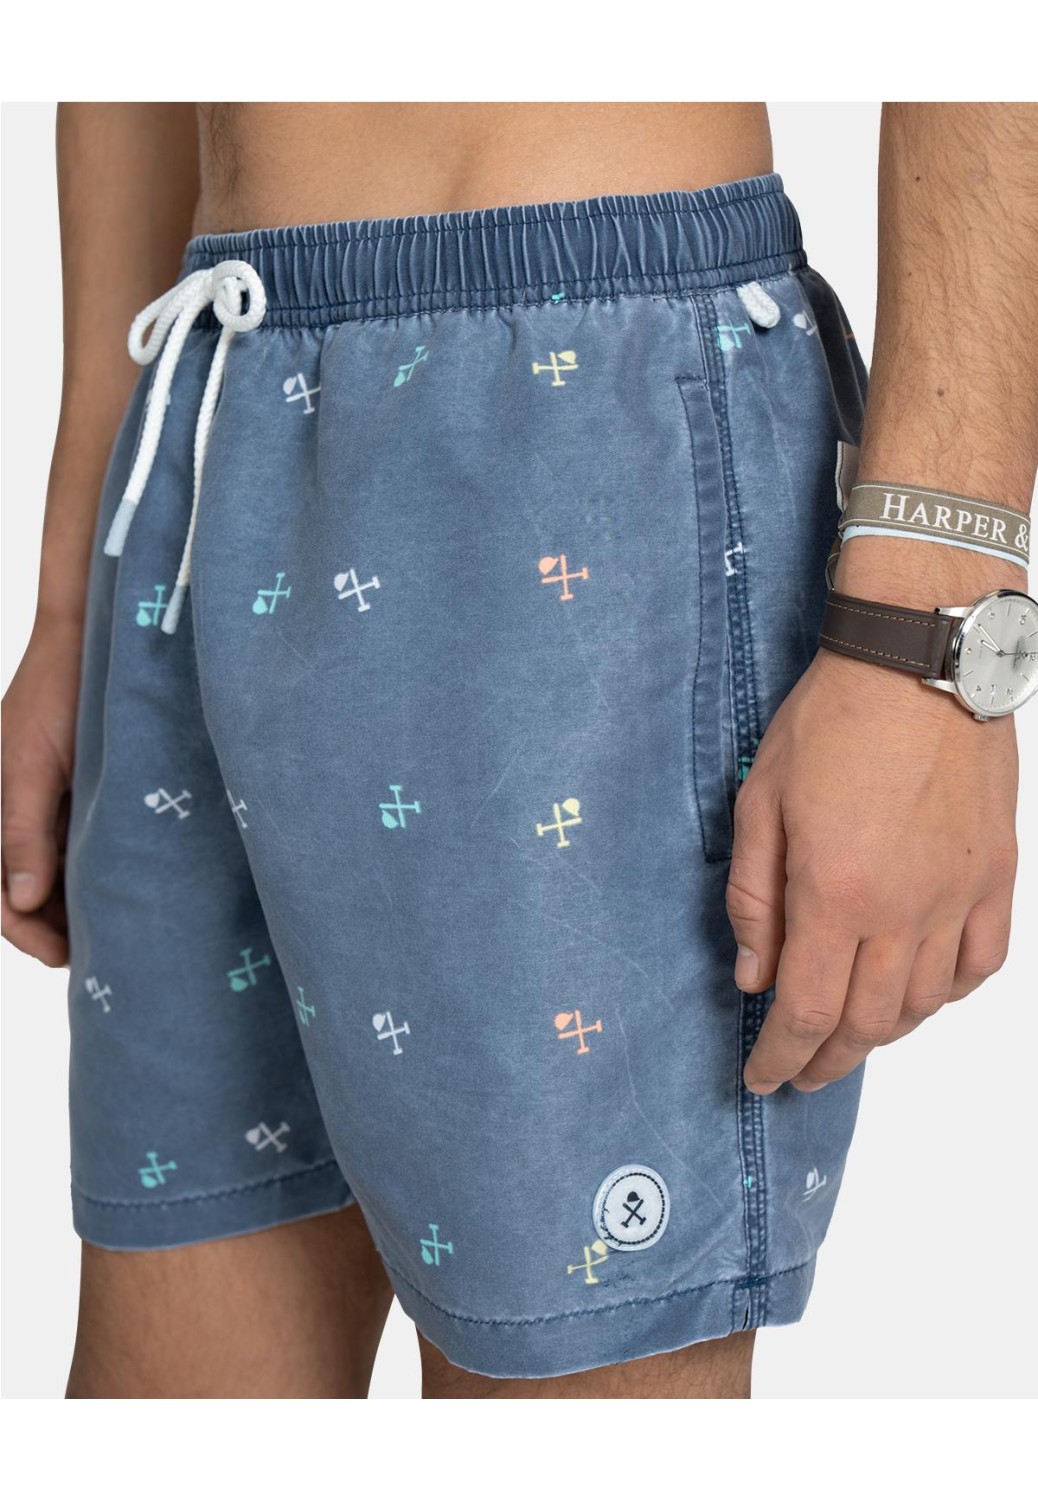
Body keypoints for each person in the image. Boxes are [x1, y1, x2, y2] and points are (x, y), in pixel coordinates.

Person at [2, 102, 1036, 1401]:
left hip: (574, 410)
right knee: (173, 1383)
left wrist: (932, 642)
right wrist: (72, 598)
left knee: (565, 1391)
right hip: (216, 408)